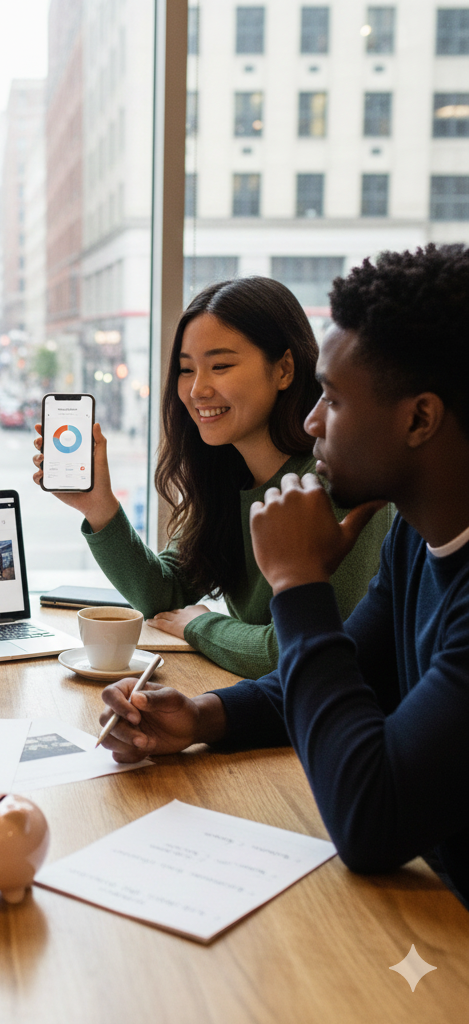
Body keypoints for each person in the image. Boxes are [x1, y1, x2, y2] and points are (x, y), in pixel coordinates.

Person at [98, 245, 469, 907]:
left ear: (419, 418)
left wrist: (298, 581)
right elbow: (345, 665)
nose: (311, 420)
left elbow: (369, 823)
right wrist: (203, 716)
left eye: (331, 398)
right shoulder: (416, 539)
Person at [33, 276, 391, 678]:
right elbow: (164, 594)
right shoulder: (230, 476)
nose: (197, 389)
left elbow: (301, 651)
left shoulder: (333, 482)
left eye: (220, 366)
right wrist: (99, 506)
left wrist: (202, 625)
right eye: (187, 370)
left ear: (284, 369)